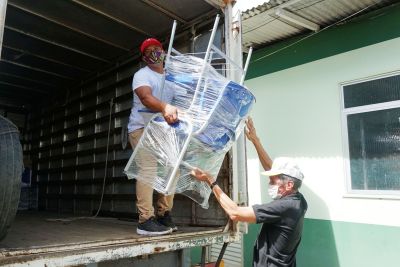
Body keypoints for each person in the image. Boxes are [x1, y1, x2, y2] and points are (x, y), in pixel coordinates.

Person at [191, 118, 308, 267]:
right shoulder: (299, 201)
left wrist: (210, 180)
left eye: (273, 181)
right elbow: (272, 170)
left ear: (289, 184)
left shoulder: (284, 207)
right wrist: (255, 140)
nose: (270, 182)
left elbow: (234, 212)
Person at [128, 38, 178, 236]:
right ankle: (145, 220)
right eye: (148, 51)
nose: (154, 52)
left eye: (156, 49)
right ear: (144, 57)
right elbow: (146, 98)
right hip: (141, 128)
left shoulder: (171, 79)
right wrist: (165, 107)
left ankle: (163, 214)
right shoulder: (142, 75)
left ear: (163, 51)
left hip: (161, 132)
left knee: (171, 171)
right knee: (148, 169)